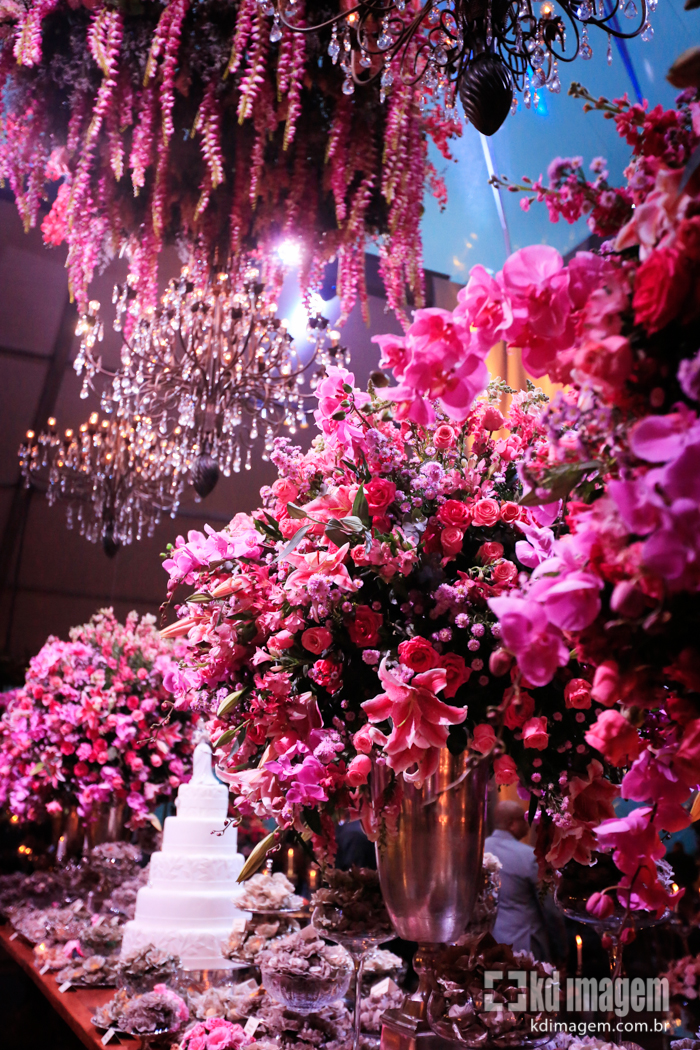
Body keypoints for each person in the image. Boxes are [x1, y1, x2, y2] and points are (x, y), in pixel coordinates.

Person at [484, 800, 552, 961]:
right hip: (523, 945)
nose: (527, 824)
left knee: (494, 985)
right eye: (523, 819)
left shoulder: (480, 849)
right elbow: (548, 908)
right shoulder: (528, 856)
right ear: (511, 824)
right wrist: (562, 950)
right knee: (529, 986)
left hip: (488, 944)